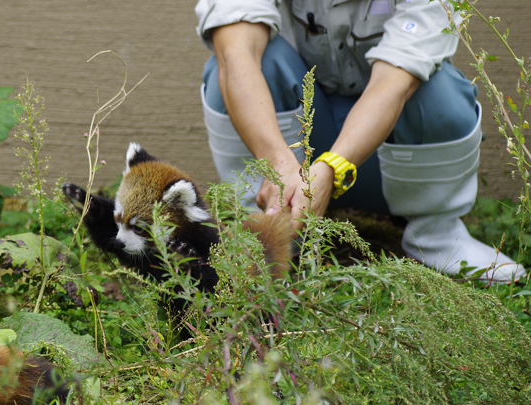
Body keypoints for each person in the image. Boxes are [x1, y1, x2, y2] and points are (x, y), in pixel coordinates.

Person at [194, 0, 525, 283]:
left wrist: (331, 168)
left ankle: (436, 234)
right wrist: (277, 163)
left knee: (442, 96)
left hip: (382, 158)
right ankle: (269, 222)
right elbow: (236, 51)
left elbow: (395, 82)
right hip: (298, 146)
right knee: (245, 66)